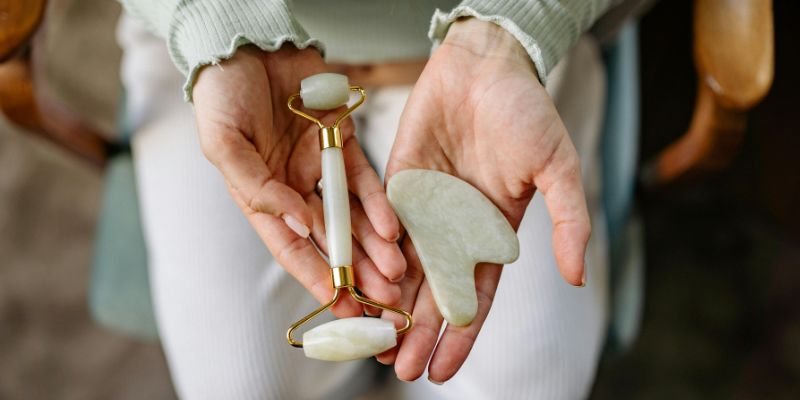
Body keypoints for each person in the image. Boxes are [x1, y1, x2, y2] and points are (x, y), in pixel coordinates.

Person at [118, 0, 618, 398]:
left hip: (495, 59)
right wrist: (213, 22)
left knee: (533, 382)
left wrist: (509, 32)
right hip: (225, 52)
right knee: (239, 384)